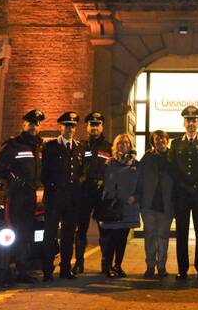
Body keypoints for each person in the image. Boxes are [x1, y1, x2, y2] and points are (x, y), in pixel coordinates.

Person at [0, 109, 45, 288]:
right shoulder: (14, 145)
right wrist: (11, 175)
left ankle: (22, 271)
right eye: (30, 124)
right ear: (24, 125)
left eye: (36, 124)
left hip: (29, 196)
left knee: (25, 234)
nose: (33, 127)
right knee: (9, 234)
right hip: (15, 196)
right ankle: (4, 272)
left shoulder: (37, 147)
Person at [168, 105, 198, 280]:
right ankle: (182, 268)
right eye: (188, 120)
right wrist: (183, 185)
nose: (191, 124)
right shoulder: (175, 143)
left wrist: (197, 185)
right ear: (183, 123)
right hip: (181, 195)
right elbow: (172, 168)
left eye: (194, 120)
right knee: (181, 233)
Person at [41, 112, 85, 282]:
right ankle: (47, 269)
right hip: (54, 198)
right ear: (60, 127)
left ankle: (65, 268)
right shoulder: (51, 147)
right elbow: (44, 173)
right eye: (66, 126)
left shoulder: (80, 147)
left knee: (68, 235)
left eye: (72, 126)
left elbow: (81, 172)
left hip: (72, 200)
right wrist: (53, 188)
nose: (69, 129)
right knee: (50, 234)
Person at [74, 111, 112, 274]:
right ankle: (79, 263)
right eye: (91, 124)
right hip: (84, 193)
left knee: (104, 230)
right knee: (81, 229)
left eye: (97, 125)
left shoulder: (109, 147)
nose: (94, 127)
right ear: (87, 127)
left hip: (102, 194)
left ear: (102, 127)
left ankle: (105, 264)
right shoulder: (81, 146)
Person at [99, 133, 141, 278]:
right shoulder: (110, 163)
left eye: (127, 143)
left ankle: (118, 266)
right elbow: (109, 185)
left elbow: (141, 185)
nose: (124, 145)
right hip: (114, 206)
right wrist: (124, 197)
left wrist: (135, 197)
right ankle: (106, 266)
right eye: (121, 143)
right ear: (116, 146)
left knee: (122, 239)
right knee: (111, 239)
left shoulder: (136, 163)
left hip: (130, 207)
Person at [137, 130, 175, 279]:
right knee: (150, 235)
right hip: (148, 204)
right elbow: (139, 177)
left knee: (163, 236)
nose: (160, 141)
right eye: (157, 139)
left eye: (163, 138)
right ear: (153, 142)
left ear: (167, 140)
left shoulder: (174, 157)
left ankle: (162, 267)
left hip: (167, 203)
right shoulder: (147, 157)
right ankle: (150, 265)